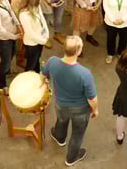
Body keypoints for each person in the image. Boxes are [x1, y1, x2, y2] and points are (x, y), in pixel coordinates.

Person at [41, 35, 98, 167]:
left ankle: (59, 137)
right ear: (78, 51)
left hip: (60, 104)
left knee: (61, 120)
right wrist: (95, 110)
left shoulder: (52, 61)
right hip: (80, 110)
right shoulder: (84, 74)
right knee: (77, 134)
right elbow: (92, 98)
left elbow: (43, 76)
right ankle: (71, 158)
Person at [18, 0, 49, 73]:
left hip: (40, 40)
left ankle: (37, 73)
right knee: (31, 64)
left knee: (37, 59)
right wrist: (43, 41)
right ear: (33, 2)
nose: (40, 2)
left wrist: (46, 33)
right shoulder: (24, 14)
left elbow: (42, 18)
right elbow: (30, 33)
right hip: (32, 43)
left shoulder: (37, 6)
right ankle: (28, 77)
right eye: (39, 0)